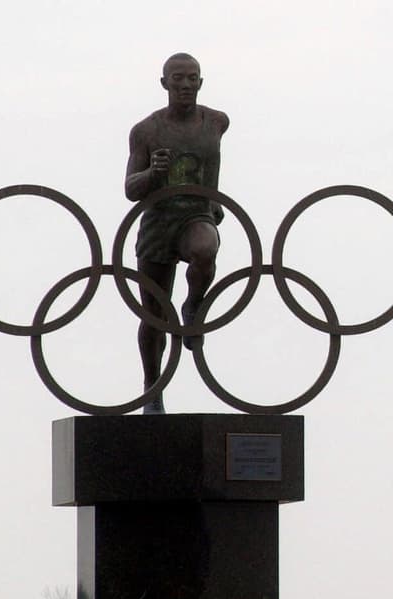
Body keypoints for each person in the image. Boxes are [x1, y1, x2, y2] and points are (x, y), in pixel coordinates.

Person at [125, 53, 229, 414]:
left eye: (192, 78)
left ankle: (194, 303)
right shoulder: (146, 131)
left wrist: (214, 203)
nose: (185, 85)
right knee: (153, 313)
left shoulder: (216, 122)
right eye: (178, 78)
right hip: (158, 224)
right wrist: (153, 173)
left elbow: (212, 165)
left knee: (205, 249)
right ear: (164, 83)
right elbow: (130, 188)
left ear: (201, 82)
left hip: (196, 216)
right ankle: (152, 389)